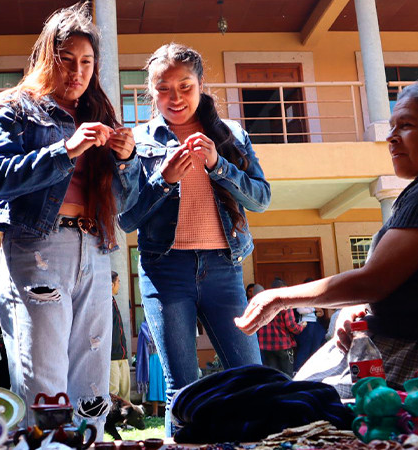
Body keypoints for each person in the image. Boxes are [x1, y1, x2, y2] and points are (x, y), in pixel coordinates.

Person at [236, 80, 418, 397]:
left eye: (407, 125)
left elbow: (374, 281)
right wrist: (360, 305)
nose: (391, 136)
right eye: (391, 126)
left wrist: (278, 298)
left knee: (284, 409)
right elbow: (404, 281)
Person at [0, 4, 139, 430]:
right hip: (38, 246)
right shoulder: (16, 106)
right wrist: (65, 149)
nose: (77, 71)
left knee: (92, 381)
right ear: (45, 58)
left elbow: (127, 198)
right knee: (43, 377)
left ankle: (90, 441)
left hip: (96, 248)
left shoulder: (98, 115)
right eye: (66, 60)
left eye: (86, 62)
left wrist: (126, 159)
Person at [119, 43, 270, 435]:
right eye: (163, 87)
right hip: (165, 272)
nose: (175, 97)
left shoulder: (230, 134)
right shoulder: (140, 142)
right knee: (181, 389)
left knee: (251, 377)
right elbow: (127, 218)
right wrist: (164, 179)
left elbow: (261, 199)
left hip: (224, 269)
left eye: (185, 86)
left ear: (200, 85)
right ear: (150, 92)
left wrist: (218, 165)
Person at [256, 278, 305, 376]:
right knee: (286, 376)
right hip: (283, 344)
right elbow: (291, 326)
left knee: (271, 376)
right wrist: (301, 327)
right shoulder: (285, 304)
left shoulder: (262, 304)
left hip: (265, 346)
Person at [293, 278, 327, 372]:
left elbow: (319, 311)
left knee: (316, 347)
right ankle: (297, 370)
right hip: (306, 324)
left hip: (314, 323)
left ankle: (313, 370)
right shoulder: (300, 296)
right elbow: (300, 310)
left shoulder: (315, 297)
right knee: (305, 348)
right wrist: (313, 308)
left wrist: (319, 311)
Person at [109, 271, 131, 402]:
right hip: (112, 357)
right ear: (111, 284)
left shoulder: (113, 300)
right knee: (113, 394)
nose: (119, 285)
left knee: (125, 396)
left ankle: (125, 422)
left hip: (122, 356)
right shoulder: (105, 303)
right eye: (118, 282)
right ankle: (110, 422)